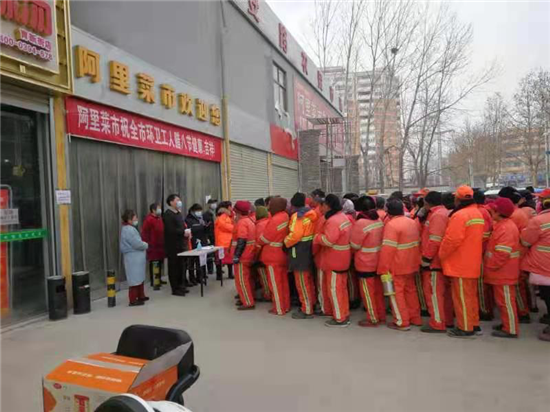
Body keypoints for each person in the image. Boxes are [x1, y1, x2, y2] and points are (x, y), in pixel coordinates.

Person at [439, 185, 484, 338]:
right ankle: (473, 323)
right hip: (473, 261)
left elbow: (452, 240)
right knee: (470, 296)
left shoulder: (459, 216)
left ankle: (465, 327)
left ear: (457, 199)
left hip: (460, 263)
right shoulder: (477, 213)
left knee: (462, 298)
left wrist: (441, 254)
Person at [377, 198, 421, 331]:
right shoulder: (412, 222)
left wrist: (383, 268)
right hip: (412, 263)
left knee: (397, 293)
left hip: (397, 265)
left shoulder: (391, 225)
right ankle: (415, 318)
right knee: (411, 291)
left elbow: (388, 250)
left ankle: (402, 321)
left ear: (388, 212)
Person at [314, 194, 352, 327]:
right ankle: (344, 312)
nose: (321, 207)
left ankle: (340, 318)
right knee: (342, 288)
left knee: (334, 289)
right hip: (344, 257)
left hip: (334, 258)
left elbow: (329, 240)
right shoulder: (343, 217)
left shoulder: (333, 221)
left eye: (323, 205)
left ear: (328, 206)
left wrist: (317, 237)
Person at [484, 198, 521, 338]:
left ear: (498, 212)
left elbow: (502, 254)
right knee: (503, 301)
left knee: (506, 302)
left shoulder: (505, 228)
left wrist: (490, 265)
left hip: (503, 272)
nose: (490, 212)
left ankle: (510, 329)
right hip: (502, 271)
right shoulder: (503, 225)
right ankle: (507, 324)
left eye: (493, 210)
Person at [420, 191, 453, 333]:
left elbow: (434, 240)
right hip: (441, 260)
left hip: (434, 262)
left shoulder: (437, 216)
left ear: (427, 202)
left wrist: (426, 258)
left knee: (434, 293)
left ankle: (437, 323)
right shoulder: (443, 213)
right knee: (443, 294)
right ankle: (446, 320)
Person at [350, 196, 385, 327]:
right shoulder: (378, 219)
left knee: (368, 293)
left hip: (365, 263)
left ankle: (372, 318)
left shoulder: (361, 223)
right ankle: (381, 315)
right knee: (378, 292)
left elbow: (355, 245)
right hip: (378, 260)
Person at [521, 188, 550, 342]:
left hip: (545, 266)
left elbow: (526, 241)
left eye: (540, 200)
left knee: (548, 295)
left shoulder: (539, 221)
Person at [499, 186, 531, 323]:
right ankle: (523, 311)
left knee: (517, 286)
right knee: (519, 285)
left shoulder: (513, 215)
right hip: (520, 253)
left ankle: (523, 313)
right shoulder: (519, 213)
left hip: (515, 254)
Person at [284, 192, 318, 319]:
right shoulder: (312, 214)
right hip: (309, 249)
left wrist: (286, 242)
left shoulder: (297, 216)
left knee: (302, 282)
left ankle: (306, 310)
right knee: (309, 280)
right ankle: (312, 303)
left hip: (299, 251)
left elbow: (295, 235)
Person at [259, 197, 290, 315]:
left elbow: (265, 238)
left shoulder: (275, 219)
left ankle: (279, 308)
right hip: (283, 253)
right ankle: (286, 306)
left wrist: (259, 239)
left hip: (272, 255)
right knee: (284, 283)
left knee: (275, 284)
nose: (269, 207)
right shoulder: (285, 216)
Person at [120, 210, 149, 306]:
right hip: (133, 258)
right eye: (135, 217)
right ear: (129, 219)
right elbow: (136, 243)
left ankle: (141, 295)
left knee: (139, 278)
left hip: (137, 258)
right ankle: (132, 300)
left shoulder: (130, 228)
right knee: (134, 279)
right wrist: (145, 244)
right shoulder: (128, 230)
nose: (136, 219)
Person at [231, 201, 257, 310]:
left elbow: (242, 240)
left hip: (243, 256)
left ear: (237, 212)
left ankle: (248, 302)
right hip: (249, 253)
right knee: (247, 279)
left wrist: (236, 255)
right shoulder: (249, 220)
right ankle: (247, 298)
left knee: (242, 280)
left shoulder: (242, 222)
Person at [474, 189, 495, 321]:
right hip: (484, 250)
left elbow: (483, 235)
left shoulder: (479, 212)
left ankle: (484, 310)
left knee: (481, 283)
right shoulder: (485, 211)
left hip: (480, 251)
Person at [163, 194, 190, 296]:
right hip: (172, 245)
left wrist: (186, 231)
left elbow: (182, 226)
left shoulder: (178, 213)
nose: (179, 202)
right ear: (171, 202)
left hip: (181, 244)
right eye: (177, 200)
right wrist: (183, 232)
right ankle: (175, 288)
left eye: (179, 199)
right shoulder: (168, 214)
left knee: (181, 266)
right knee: (173, 267)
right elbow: (170, 230)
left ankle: (181, 285)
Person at [141, 203, 166, 288]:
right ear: (153, 210)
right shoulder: (149, 220)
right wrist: (148, 243)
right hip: (153, 246)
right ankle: (154, 281)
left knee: (159, 263)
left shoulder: (159, 218)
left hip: (160, 245)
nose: (160, 210)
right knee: (154, 263)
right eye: (158, 208)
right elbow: (144, 233)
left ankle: (159, 278)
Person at [185, 203, 208, 286]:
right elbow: (191, 229)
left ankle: (200, 276)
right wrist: (201, 226)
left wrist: (206, 227)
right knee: (192, 261)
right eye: (198, 210)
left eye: (200, 210)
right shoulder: (188, 219)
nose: (199, 212)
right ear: (193, 211)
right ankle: (192, 278)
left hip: (202, 241)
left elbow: (204, 229)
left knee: (200, 261)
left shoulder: (201, 219)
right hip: (193, 241)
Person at [254, 206, 271, 302]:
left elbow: (258, 242)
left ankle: (267, 294)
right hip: (271, 253)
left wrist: (255, 256)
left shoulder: (259, 225)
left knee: (264, 277)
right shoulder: (269, 221)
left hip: (262, 254)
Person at [215, 201, 235, 280]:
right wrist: (234, 228)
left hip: (226, 241)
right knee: (221, 259)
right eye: (230, 206)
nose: (232, 208)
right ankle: (219, 275)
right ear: (228, 207)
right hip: (223, 241)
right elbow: (224, 226)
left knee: (227, 259)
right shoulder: (223, 216)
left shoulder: (227, 216)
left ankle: (228, 274)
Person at [203, 198, 218, 274]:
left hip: (216, 234)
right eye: (212, 203)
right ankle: (210, 269)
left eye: (215, 203)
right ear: (209, 205)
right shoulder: (206, 214)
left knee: (216, 252)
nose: (214, 205)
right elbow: (205, 226)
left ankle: (218, 267)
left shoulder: (216, 213)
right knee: (209, 252)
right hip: (209, 235)